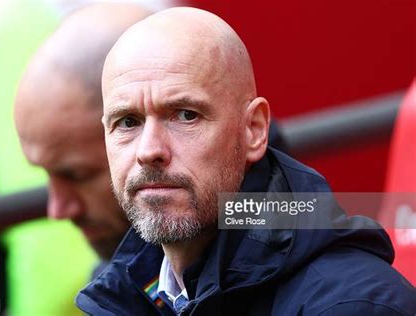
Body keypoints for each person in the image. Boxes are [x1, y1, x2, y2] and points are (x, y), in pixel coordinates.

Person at [76, 7, 416, 315]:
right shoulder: (125, 294)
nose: (148, 150)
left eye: (185, 115)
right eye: (128, 122)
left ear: (253, 130)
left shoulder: (352, 306)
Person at [14, 4, 151, 264]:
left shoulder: (249, 261)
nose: (58, 209)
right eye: (48, 174)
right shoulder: (120, 281)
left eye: (77, 175)